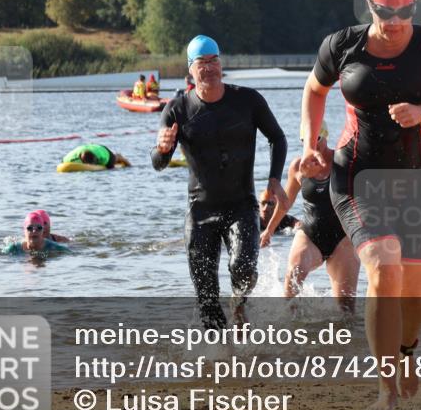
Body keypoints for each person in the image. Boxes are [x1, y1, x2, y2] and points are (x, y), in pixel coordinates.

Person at [299, 0, 421, 409]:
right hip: (356, 174)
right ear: (369, 5)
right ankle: (385, 388)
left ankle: (408, 350)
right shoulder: (342, 44)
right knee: (382, 262)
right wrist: (310, 142)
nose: (395, 22)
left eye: (404, 10)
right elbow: (314, 90)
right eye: (385, 11)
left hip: (416, 177)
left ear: (414, 5)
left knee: (415, 290)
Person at [152, 34, 288, 329]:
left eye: (215, 61)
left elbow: (277, 137)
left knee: (244, 271)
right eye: (203, 62)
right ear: (190, 69)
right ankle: (219, 363)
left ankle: (238, 305)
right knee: (206, 298)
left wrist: (275, 179)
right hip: (200, 212)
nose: (210, 68)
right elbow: (158, 164)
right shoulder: (177, 110)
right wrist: (162, 150)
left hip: (242, 205)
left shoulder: (248, 100)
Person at [261, 122, 359, 313]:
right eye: (306, 141)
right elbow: (285, 202)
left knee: (346, 310)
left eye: (317, 140)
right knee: (293, 280)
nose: (312, 146)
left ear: (326, 136)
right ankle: (291, 332)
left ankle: (342, 341)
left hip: (343, 238)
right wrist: (269, 230)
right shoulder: (298, 166)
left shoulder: (343, 161)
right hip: (310, 232)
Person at [2, 212, 73, 256]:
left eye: (38, 228)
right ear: (24, 230)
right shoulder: (14, 248)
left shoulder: (53, 247)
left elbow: (71, 253)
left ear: (42, 230)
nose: (34, 231)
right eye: (30, 228)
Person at [62, 144, 130, 169]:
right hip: (84, 148)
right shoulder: (69, 158)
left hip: (101, 149)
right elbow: (62, 162)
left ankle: (119, 156)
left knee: (114, 160)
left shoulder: (104, 157)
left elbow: (111, 167)